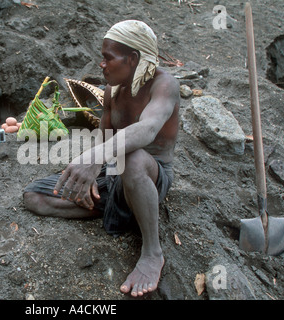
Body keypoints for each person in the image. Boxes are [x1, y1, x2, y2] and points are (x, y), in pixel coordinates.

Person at [23, 20, 180, 297]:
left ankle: (152, 252)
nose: (102, 64)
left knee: (132, 159)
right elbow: (104, 139)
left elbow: (147, 129)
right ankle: (119, 208)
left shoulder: (164, 85)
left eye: (108, 58)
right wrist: (93, 178)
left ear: (133, 59)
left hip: (149, 175)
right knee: (34, 197)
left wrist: (96, 157)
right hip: (114, 173)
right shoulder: (112, 91)